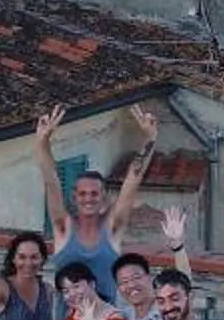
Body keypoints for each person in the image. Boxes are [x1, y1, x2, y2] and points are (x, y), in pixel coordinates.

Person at [35, 103, 159, 302]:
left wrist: (150, 140)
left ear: (104, 197)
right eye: (83, 194)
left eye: (94, 193)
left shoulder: (112, 227)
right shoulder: (63, 227)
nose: (88, 199)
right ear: (74, 197)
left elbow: (132, 181)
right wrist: (42, 142)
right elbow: (51, 181)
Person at [111, 208, 195, 320]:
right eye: (123, 282)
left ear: (149, 278)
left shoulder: (164, 305)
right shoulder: (122, 313)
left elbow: (184, 282)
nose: (131, 285)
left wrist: (177, 246)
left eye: (136, 278)